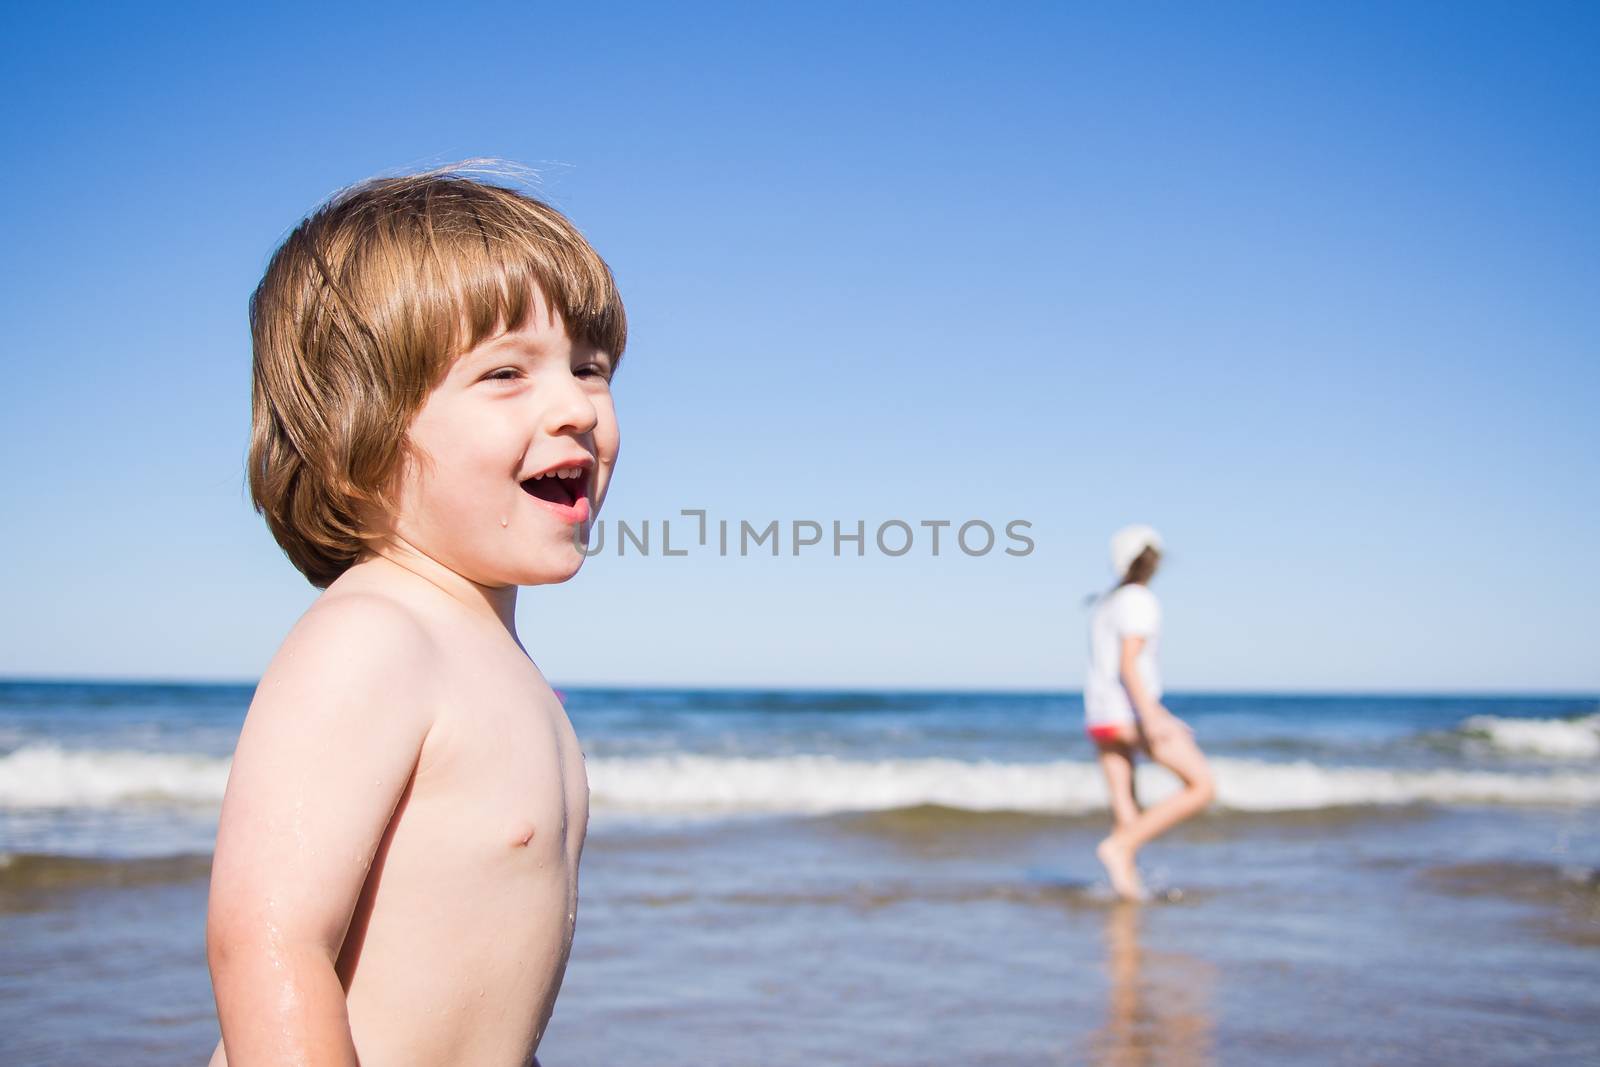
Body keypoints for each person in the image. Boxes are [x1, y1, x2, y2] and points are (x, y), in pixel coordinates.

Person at [205, 164, 625, 1066]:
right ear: (361, 429)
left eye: (591, 369)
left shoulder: (501, 663)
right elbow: (268, 942)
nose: (576, 409)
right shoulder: (374, 637)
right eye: (506, 372)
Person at [1083, 525, 1215, 900]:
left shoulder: (1105, 603)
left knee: (1126, 806)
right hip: (1128, 713)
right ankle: (1120, 846)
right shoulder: (1138, 600)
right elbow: (1129, 664)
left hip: (1100, 716)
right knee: (1202, 785)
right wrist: (1153, 715)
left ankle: (1127, 891)